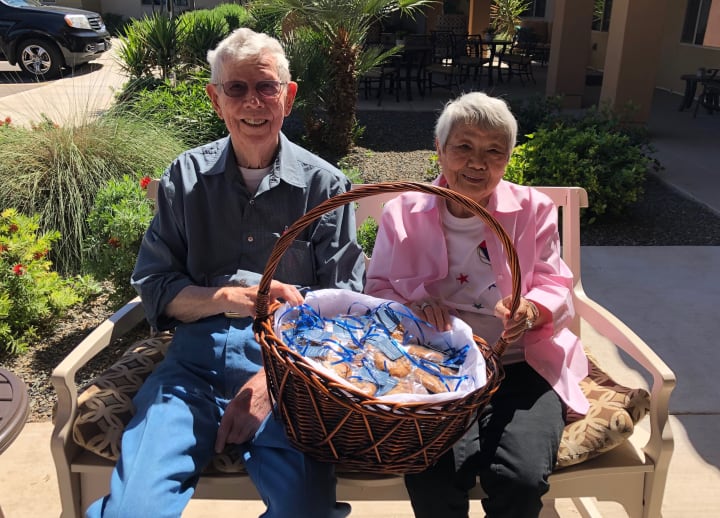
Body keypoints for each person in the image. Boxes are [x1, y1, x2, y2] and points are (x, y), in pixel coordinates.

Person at [86, 28, 365, 518]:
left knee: (306, 512)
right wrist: (223, 298)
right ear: (217, 99)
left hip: (288, 379)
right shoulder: (184, 179)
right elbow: (155, 286)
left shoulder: (326, 186)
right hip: (190, 370)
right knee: (133, 510)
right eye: (236, 88)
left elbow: (344, 306)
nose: (252, 102)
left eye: (265, 87)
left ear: (288, 96)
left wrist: (271, 384)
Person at [364, 91, 590, 518]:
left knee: (519, 479)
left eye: (493, 152)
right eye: (463, 147)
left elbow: (555, 283)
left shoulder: (532, 209)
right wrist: (412, 310)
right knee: (433, 472)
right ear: (439, 150)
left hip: (524, 365)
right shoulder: (404, 212)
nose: (477, 163)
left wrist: (531, 309)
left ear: (508, 159)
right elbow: (377, 290)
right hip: (437, 365)